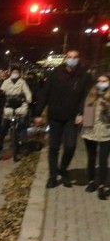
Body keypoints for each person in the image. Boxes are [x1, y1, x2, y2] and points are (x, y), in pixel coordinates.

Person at [34, 50, 92, 188]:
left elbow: (88, 97)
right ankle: (52, 176)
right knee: (54, 147)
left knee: (71, 146)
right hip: (55, 116)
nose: (72, 59)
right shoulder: (55, 74)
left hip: (73, 118)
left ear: (79, 59)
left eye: (75, 57)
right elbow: (44, 94)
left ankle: (63, 168)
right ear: (65, 59)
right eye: (69, 57)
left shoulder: (84, 76)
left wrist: (84, 114)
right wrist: (37, 113)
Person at [81, 73, 110, 199]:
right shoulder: (91, 95)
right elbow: (87, 115)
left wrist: (108, 108)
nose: (101, 83)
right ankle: (91, 182)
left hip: (106, 132)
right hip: (91, 132)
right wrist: (83, 122)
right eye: (99, 80)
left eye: (104, 81)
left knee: (103, 160)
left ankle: (102, 186)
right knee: (91, 159)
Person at [0, 64, 32, 154]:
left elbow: (27, 92)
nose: (15, 73)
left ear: (19, 73)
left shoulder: (22, 82)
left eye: (16, 72)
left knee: (23, 125)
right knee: (4, 127)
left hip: (20, 105)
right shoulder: (6, 82)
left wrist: (28, 99)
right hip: (9, 106)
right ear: (10, 73)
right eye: (13, 72)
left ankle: (23, 144)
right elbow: (2, 91)